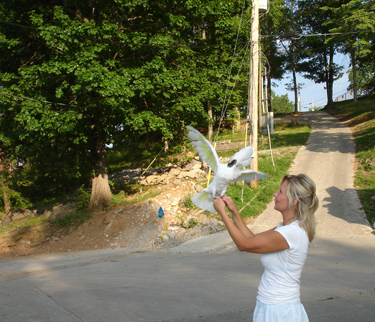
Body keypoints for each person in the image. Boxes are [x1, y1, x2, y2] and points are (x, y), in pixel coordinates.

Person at [213, 174, 319, 322]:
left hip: (280, 310)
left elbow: (243, 245)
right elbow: (251, 239)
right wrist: (233, 211)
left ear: (294, 201)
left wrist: (222, 213)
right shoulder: (285, 227)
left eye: (281, 192)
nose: (275, 194)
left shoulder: (291, 233)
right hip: (270, 305)